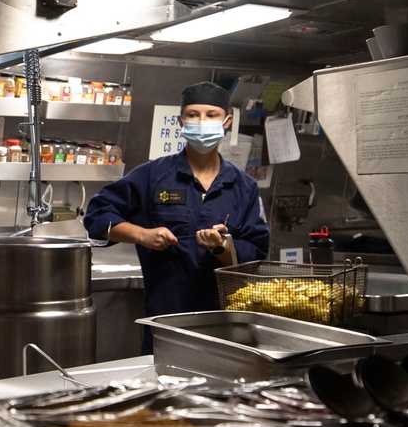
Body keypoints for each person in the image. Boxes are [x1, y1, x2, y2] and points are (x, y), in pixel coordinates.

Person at [83, 81, 270, 352]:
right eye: (193, 115)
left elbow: (256, 252)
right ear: (181, 121)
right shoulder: (152, 175)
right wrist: (142, 235)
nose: (202, 122)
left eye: (211, 115)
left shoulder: (244, 186)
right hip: (166, 317)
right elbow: (97, 215)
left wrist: (222, 247)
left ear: (226, 122)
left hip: (226, 320)